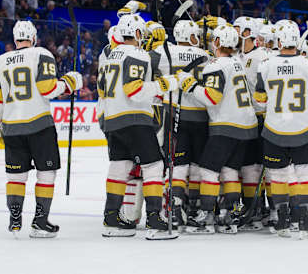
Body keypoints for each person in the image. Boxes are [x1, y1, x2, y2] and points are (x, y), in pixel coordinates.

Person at [0, 20, 82, 238]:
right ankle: (40, 221)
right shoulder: (41, 53)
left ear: (15, 39)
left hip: (12, 128)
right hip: (39, 125)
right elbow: (47, 89)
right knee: (46, 173)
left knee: (16, 176)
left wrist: (0, 124)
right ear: (34, 37)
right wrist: (69, 83)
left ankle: (15, 219)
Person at [97, 14, 178, 240]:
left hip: (112, 118)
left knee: (119, 167)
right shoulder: (137, 53)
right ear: (138, 33)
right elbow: (135, 90)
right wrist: (165, 83)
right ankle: (154, 219)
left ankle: (111, 218)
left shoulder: (110, 55)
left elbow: (105, 89)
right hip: (134, 118)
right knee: (154, 165)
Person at [178, 25, 258, 234]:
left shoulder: (216, 65)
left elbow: (212, 97)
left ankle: (206, 217)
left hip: (227, 125)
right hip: (247, 125)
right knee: (230, 170)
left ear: (217, 43)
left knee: (208, 170)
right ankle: (230, 216)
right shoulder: (238, 62)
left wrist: (190, 85)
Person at [254, 20, 308, 240]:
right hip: (304, 129)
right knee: (304, 174)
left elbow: (260, 101)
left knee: (277, 175)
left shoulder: (265, 65)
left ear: (279, 40)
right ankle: (304, 219)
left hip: (274, 130)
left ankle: (282, 219)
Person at [149, 19, 210, 228]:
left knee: (177, 163)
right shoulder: (206, 55)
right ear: (190, 36)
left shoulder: (166, 52)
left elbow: (148, 62)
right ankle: (193, 205)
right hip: (201, 115)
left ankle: (174, 206)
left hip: (174, 113)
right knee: (197, 164)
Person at [233, 16, 268, 231]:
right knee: (245, 167)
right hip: (241, 118)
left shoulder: (262, 57)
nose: (234, 32)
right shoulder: (236, 55)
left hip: (259, 118)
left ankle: (259, 208)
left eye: (237, 29)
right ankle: (250, 206)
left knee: (257, 167)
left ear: (247, 32)